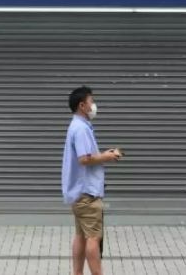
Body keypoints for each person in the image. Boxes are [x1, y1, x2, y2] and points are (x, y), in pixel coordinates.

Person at [61, 86, 122, 275]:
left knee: (81, 235)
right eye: (91, 101)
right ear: (82, 106)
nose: (94, 105)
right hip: (87, 194)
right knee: (93, 238)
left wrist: (103, 155)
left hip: (79, 193)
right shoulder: (80, 129)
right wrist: (107, 156)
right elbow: (84, 158)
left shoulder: (78, 126)